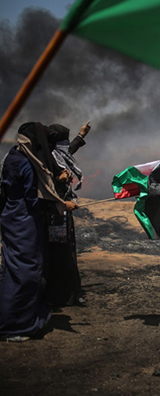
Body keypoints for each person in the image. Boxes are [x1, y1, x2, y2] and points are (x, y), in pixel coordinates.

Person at [0, 123, 77, 341]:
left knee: (11, 269)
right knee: (26, 271)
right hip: (24, 221)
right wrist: (62, 205)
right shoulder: (26, 163)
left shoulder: (13, 155)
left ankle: (8, 317)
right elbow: (33, 199)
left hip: (11, 216)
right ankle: (16, 326)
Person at [44, 121, 90, 306]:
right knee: (58, 251)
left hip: (63, 213)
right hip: (53, 212)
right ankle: (60, 293)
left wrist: (81, 136)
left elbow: (67, 151)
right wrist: (58, 180)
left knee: (66, 250)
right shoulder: (46, 159)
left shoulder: (57, 154)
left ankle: (70, 291)